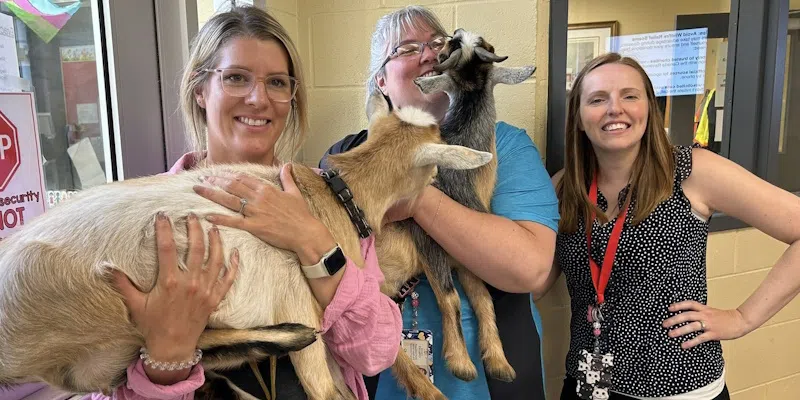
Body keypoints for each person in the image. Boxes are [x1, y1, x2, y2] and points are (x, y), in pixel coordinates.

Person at [3, 6, 401, 400]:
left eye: (278, 83)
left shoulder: (329, 202)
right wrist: (167, 358)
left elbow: (376, 353)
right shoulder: (144, 223)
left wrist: (315, 245)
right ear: (199, 89)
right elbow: (99, 380)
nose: (259, 98)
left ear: (292, 98)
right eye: (236, 78)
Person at [319, 6, 560, 400]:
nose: (428, 55)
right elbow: (326, 269)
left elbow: (530, 268)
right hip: (379, 381)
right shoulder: (345, 157)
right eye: (406, 48)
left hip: (490, 386)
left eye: (436, 44)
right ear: (380, 80)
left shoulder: (506, 147)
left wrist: (416, 199)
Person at [543, 53, 800, 399]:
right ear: (578, 118)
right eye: (598, 99)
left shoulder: (693, 171)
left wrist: (742, 318)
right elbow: (535, 277)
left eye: (629, 96)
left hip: (679, 389)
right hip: (588, 385)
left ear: (649, 109)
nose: (614, 109)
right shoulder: (564, 188)